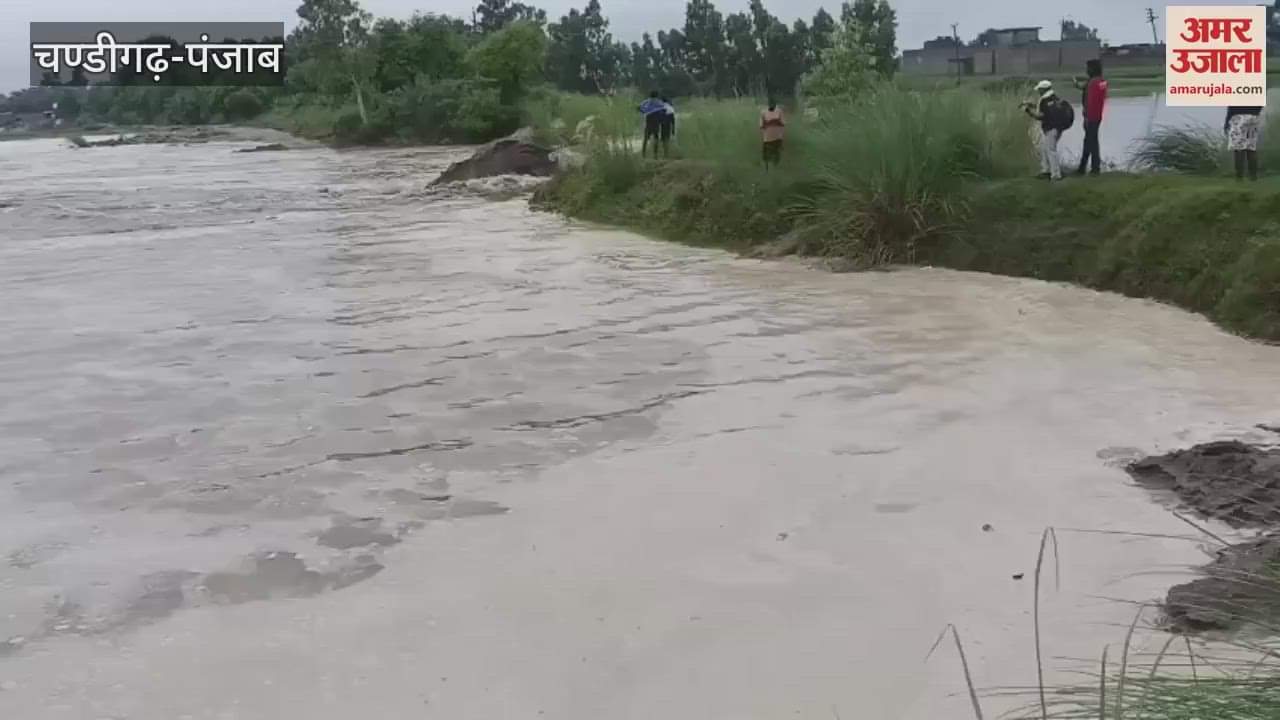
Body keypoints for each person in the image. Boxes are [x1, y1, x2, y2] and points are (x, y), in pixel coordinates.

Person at [1022, 80, 1069, 181]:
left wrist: (1028, 111)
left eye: (1040, 89)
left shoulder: (1044, 100)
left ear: (1044, 89)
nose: (1039, 91)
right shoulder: (1054, 98)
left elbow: (1041, 116)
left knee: (1051, 150)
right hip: (1058, 128)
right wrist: (1032, 105)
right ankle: (1046, 171)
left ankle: (1056, 175)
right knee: (1044, 148)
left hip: (1051, 129)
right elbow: (1046, 109)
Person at [1072, 59, 1108, 175]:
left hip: (1091, 117)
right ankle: (1083, 168)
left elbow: (1091, 101)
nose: (1086, 70)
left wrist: (1087, 117)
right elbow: (1086, 89)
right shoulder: (1101, 81)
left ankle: (1094, 169)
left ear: (1092, 69)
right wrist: (1077, 84)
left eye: (1088, 68)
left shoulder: (1093, 83)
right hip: (1097, 116)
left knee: (1091, 142)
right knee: (1089, 141)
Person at [1225, 105, 1262, 181]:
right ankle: (1253, 176)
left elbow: (1231, 105)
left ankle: (1239, 177)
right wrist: (1256, 112)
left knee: (1238, 148)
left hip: (1238, 117)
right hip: (1253, 117)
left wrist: (1227, 122)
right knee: (1251, 148)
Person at [639, 91, 667, 159]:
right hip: (656, 121)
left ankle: (643, 154)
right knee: (656, 137)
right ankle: (655, 155)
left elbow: (640, 108)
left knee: (646, 138)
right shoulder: (659, 102)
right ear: (657, 95)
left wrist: (645, 111)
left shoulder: (646, 101)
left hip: (649, 120)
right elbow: (664, 110)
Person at [760, 99, 785, 170]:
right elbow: (761, 125)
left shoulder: (779, 111)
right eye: (770, 104)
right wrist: (769, 123)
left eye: (773, 104)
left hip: (777, 137)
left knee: (776, 155)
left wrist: (776, 122)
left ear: (775, 105)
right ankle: (767, 170)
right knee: (766, 157)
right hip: (767, 138)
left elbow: (783, 123)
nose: (772, 106)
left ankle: (776, 169)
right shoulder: (763, 112)